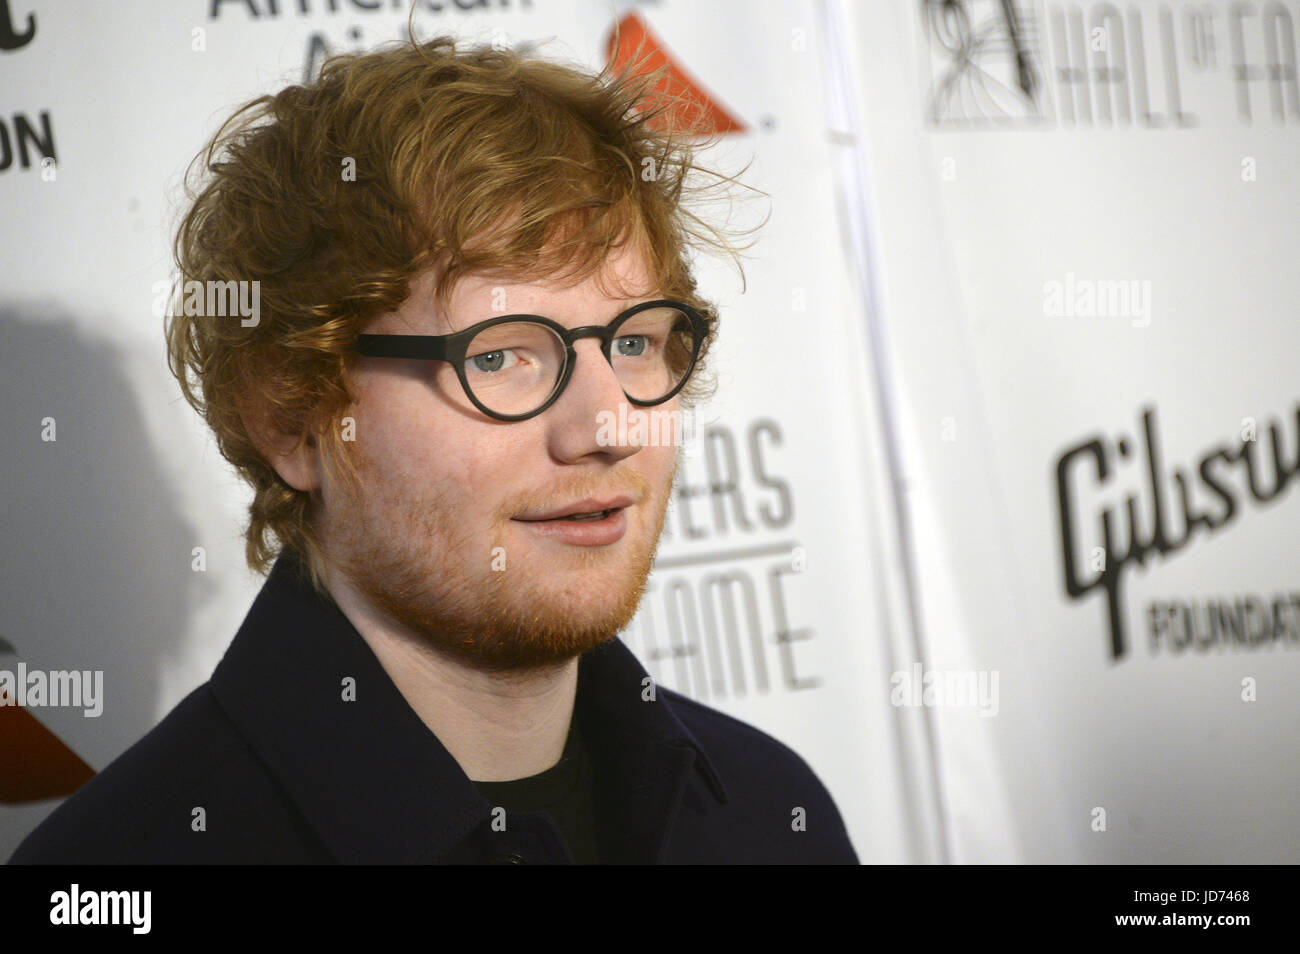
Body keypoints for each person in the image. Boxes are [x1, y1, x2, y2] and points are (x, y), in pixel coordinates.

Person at [9, 34, 858, 864]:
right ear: (293, 419)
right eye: (499, 356)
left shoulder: (767, 810)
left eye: (634, 343)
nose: (607, 427)